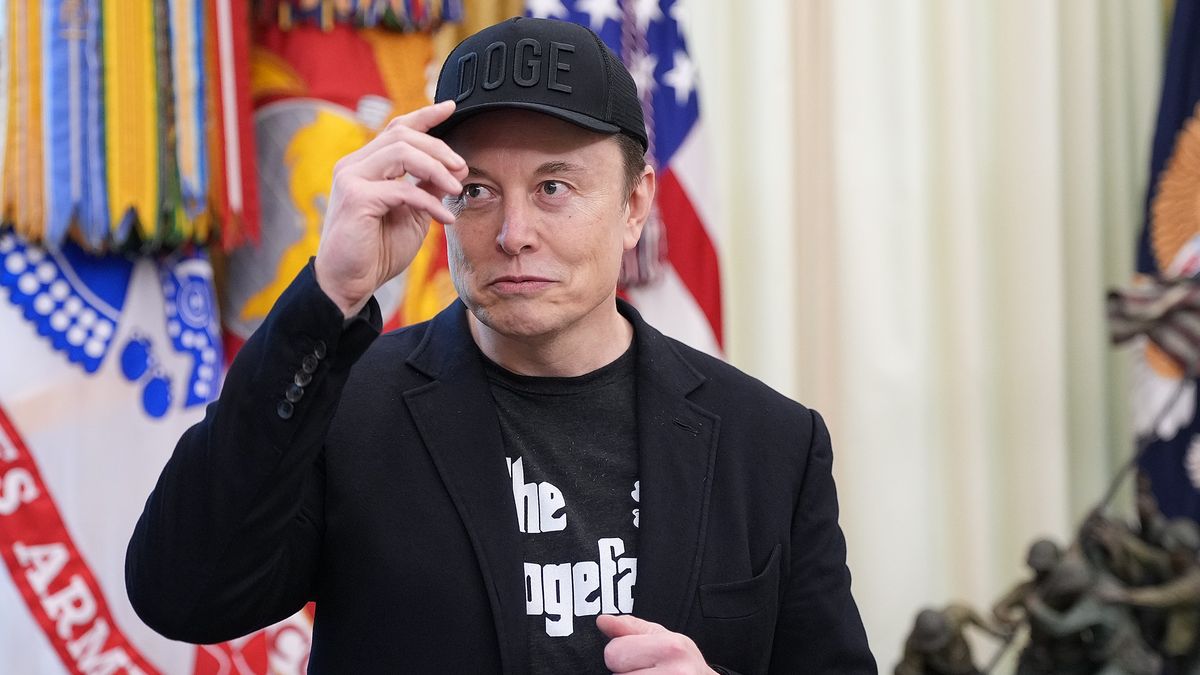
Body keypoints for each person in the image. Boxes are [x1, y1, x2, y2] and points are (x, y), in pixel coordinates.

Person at [125, 16, 874, 674]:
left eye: (553, 187)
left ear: (635, 204)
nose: (513, 234)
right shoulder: (347, 408)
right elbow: (181, 593)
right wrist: (329, 295)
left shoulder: (771, 442)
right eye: (477, 191)